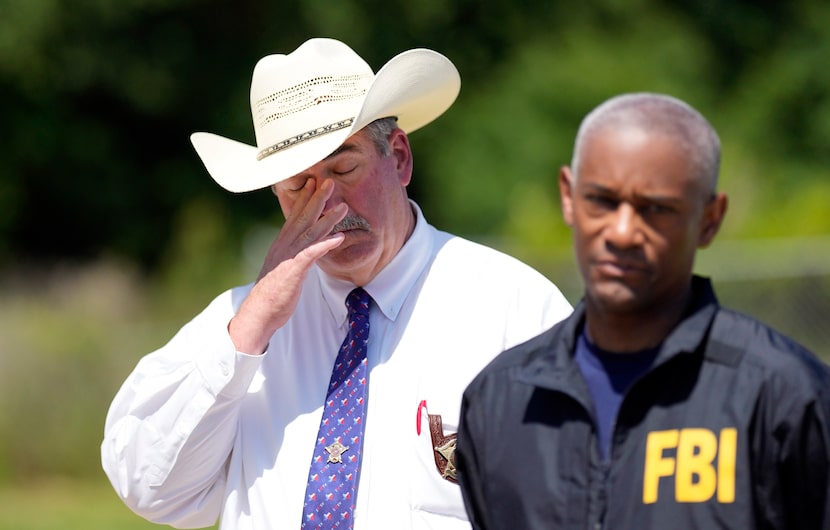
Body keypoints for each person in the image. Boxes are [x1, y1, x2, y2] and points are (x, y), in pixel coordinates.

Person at [100, 38, 572, 530]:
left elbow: (574, 500)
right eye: (297, 185)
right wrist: (247, 334)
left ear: (400, 157)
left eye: (344, 168)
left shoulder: (513, 308)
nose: (328, 204)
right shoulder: (240, 324)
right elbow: (150, 488)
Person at [455, 92, 830, 529]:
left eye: (655, 209)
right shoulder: (498, 399)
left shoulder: (786, 395)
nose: (623, 232)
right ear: (569, 196)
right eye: (602, 200)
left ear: (710, 218)